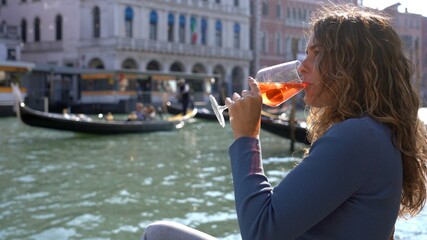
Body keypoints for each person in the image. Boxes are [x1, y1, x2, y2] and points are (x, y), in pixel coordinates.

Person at [140, 4, 427, 240]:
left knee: (158, 234)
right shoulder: (380, 133)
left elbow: (260, 231)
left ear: (351, 66)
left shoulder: (357, 137)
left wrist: (246, 136)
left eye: (317, 54)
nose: (302, 65)